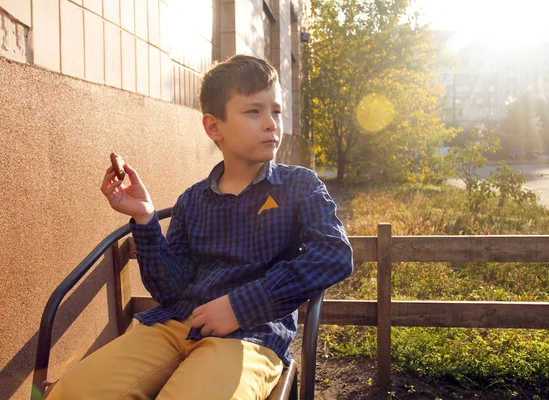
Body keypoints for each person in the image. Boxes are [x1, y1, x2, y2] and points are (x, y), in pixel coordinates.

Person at [46, 54, 353, 400]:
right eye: (254, 111)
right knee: (72, 392)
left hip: (251, 336)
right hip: (173, 325)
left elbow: (334, 255)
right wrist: (145, 219)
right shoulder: (192, 201)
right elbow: (170, 289)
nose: (271, 123)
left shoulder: (299, 185)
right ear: (213, 127)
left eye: (276, 111)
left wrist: (241, 305)